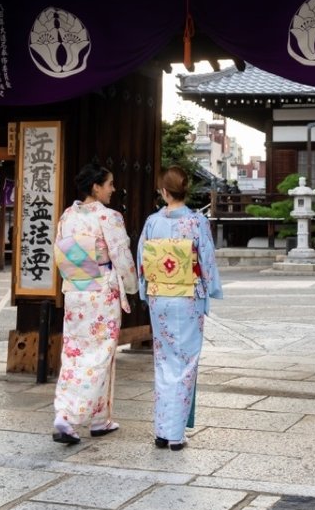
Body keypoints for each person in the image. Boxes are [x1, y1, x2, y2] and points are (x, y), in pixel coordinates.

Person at [136, 165, 222, 450]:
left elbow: (142, 262)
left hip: (160, 296)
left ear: (163, 191)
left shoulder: (152, 222)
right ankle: (175, 434)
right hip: (187, 297)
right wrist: (209, 289)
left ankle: (162, 430)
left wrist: (146, 290)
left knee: (164, 360)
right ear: (187, 190)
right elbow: (206, 261)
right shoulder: (197, 222)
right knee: (185, 362)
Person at [50, 161, 136, 444]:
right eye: (109, 184)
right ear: (96, 187)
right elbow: (121, 257)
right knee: (98, 355)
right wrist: (132, 286)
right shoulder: (108, 217)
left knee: (75, 352)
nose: (113, 189)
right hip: (102, 292)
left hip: (77, 287)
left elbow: (59, 251)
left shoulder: (68, 215)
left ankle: (100, 419)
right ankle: (68, 417)